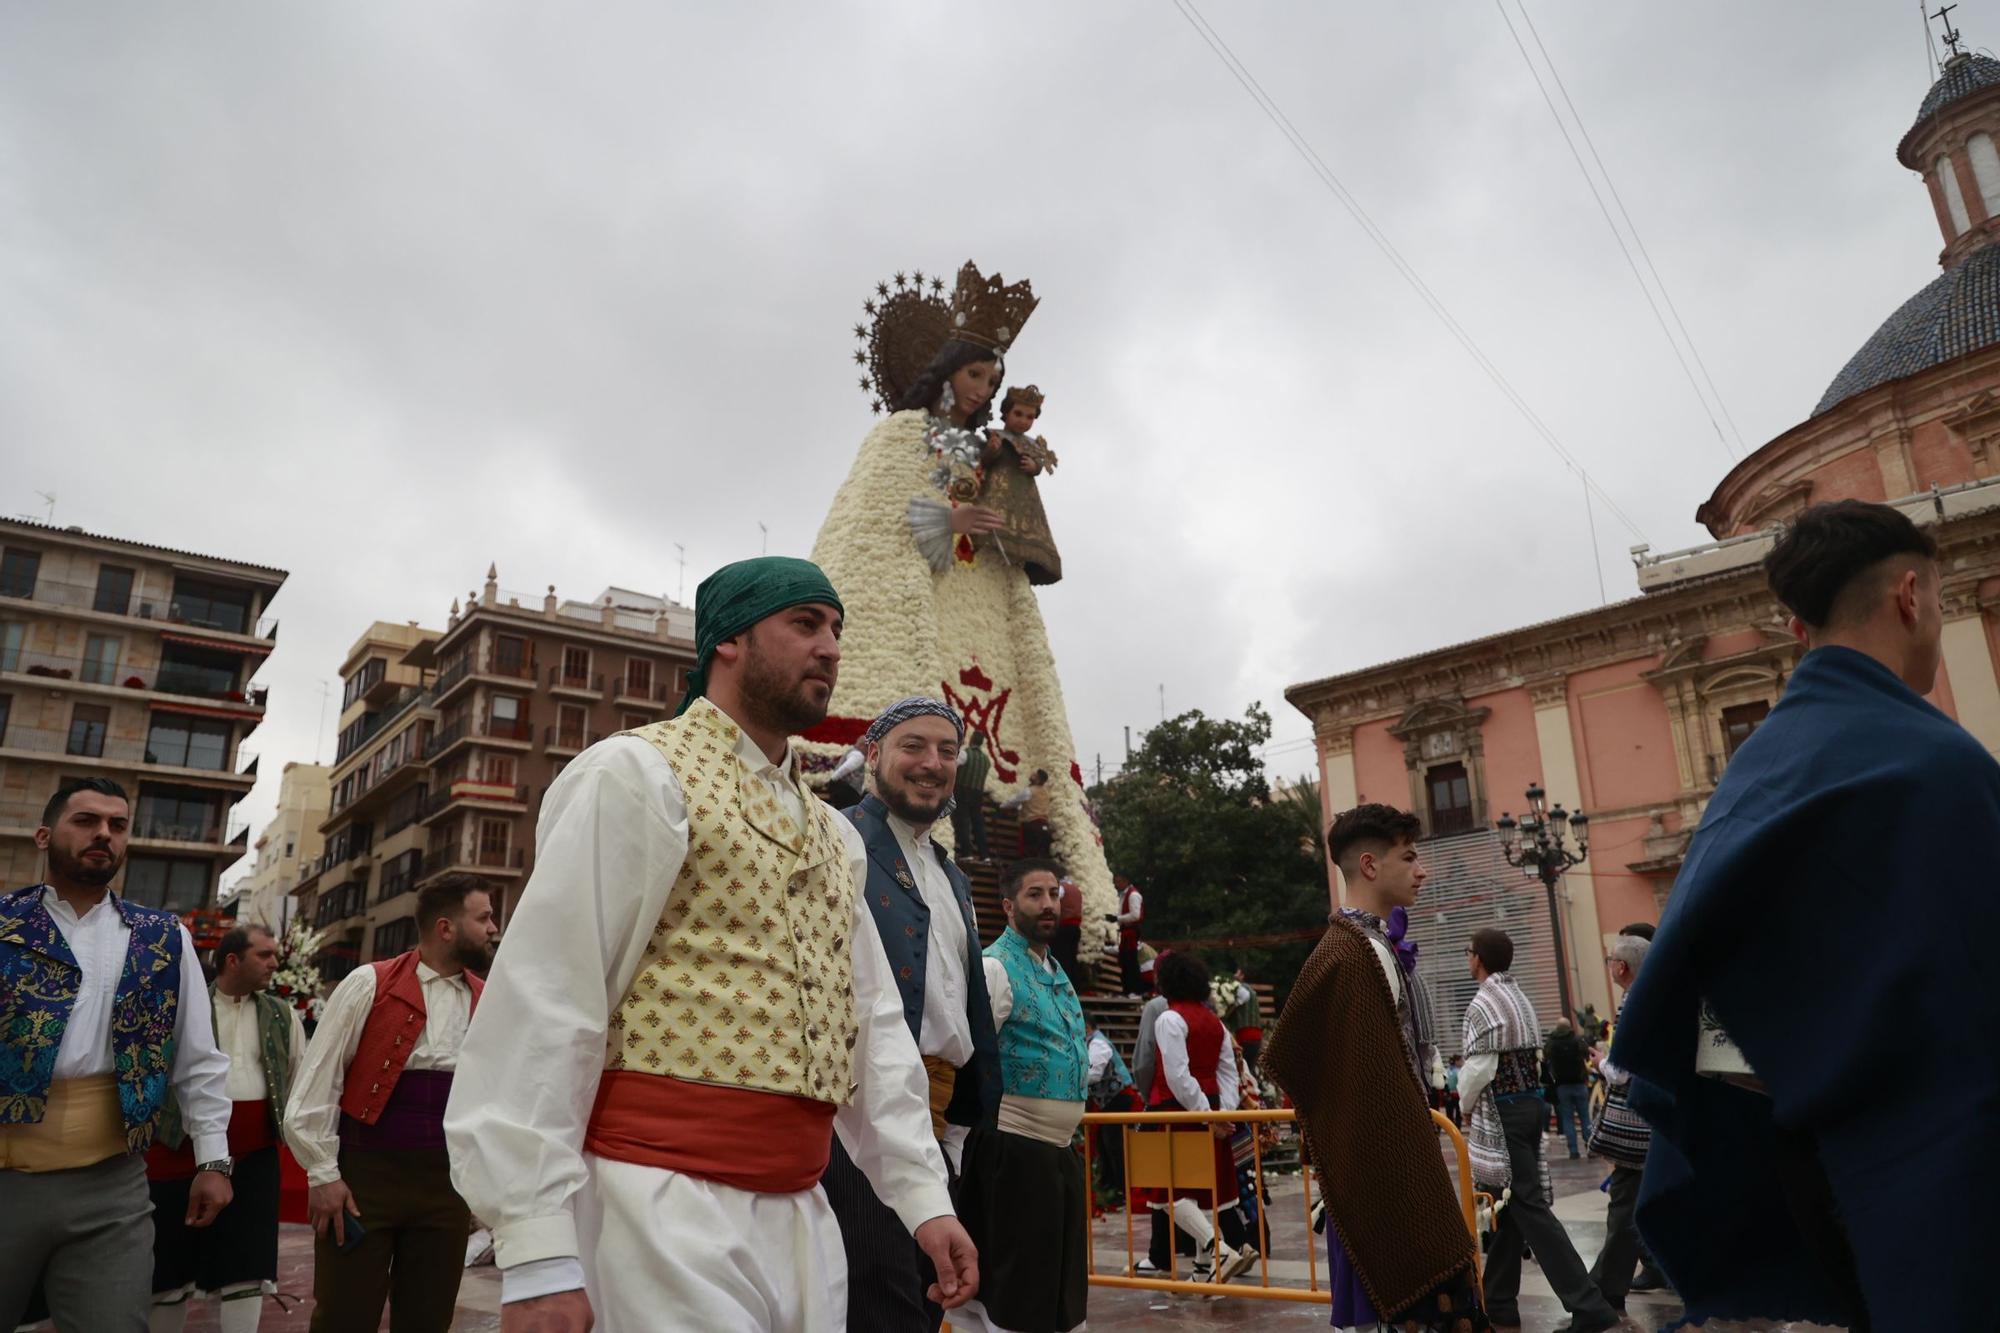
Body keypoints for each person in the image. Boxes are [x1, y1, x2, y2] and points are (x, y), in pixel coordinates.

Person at [442, 556, 976, 1333]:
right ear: (727, 639)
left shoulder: (834, 832)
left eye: (835, 628)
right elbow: (549, 1000)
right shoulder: (637, 774)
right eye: (804, 623)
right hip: (657, 1202)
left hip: (803, 1212)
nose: (829, 645)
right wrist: (537, 1246)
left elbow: (871, 1027)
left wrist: (922, 1197)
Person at [1614, 500, 2000, 1331]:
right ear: (1910, 596)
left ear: (1796, 629)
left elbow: (1708, 1027)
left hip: (1812, 1176)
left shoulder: (1752, 775)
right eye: (1936, 599)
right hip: (1951, 1173)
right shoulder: (1939, 763)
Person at [810, 260, 1116, 963]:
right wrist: (947, 520)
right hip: (919, 598)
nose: (983, 392)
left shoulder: (988, 449)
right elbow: (881, 520)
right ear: (948, 370)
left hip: (979, 592)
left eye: (992, 381)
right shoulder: (902, 433)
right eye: (977, 376)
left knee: (987, 746)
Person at [0, 777, 233, 1333]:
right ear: (44, 835)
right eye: (86, 821)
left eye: (118, 825)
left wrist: (214, 1158)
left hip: (113, 1184)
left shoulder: (164, 938)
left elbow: (198, 1057)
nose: (103, 833)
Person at [1262, 803, 1483, 1333]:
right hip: (1377, 1174)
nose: (1421, 869)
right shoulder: (1353, 952)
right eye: (1409, 857)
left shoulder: (1363, 946)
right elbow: (1347, 1076)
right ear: (1368, 865)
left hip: (1377, 1164)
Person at [823, 696, 1000, 1333]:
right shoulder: (836, 841)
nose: (932, 763)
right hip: (859, 1112)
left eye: (947, 751)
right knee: (882, 1301)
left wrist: (959, 1127)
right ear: (873, 755)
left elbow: (963, 1008)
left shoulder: (948, 873)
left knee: (929, 1299)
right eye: (913, 747)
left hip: (938, 1117)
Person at [283, 873, 498, 1333]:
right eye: (484, 918)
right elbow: (318, 1081)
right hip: (365, 1182)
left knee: (428, 1319)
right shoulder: (369, 983)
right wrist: (323, 1174)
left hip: (447, 1185)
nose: (494, 928)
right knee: (344, 1316)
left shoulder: (489, 999)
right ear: (446, 928)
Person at [147, 923, 309, 1333]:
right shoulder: (185, 1004)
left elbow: (296, 1075)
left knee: (248, 1266)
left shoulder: (281, 1014)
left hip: (255, 1158)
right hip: (179, 1151)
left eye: (275, 954)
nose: (275, 963)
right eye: (264, 955)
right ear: (232, 960)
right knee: (169, 1266)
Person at [954, 859, 1092, 1333]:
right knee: (1018, 1296)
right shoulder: (996, 967)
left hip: (1056, 1154)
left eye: (1054, 893)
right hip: (1013, 1153)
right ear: (1009, 906)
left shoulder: (1055, 969)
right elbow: (968, 1060)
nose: (1049, 904)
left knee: (1058, 1292)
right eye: (1035, 895)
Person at [1462, 928, 1619, 1333]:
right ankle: (1498, 1304)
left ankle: (1589, 1306)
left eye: (1469, 953)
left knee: (1525, 1204)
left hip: (1504, 1111)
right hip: (1530, 1105)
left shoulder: (1483, 1001)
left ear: (1477, 958)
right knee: (1508, 1205)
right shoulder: (1519, 996)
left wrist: (1463, 1107)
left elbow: (1479, 1068)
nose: (1468, 958)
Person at [1136, 951, 1257, 1285]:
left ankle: (1216, 1250)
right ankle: (1204, 1270)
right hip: (1212, 1110)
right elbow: (1229, 1071)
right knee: (1203, 1191)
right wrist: (1223, 1114)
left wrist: (1206, 1114)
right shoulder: (1214, 1022)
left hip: (1178, 1111)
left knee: (1170, 1193)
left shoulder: (1169, 1019)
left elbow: (1176, 1075)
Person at [1586, 932, 1665, 1314]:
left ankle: (1606, 1286)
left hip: (1637, 1121)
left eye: (1610, 960)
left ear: (1621, 967)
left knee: (1625, 1204)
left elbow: (1620, 1071)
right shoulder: (1657, 997)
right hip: (1659, 1115)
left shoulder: (1635, 1003)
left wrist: (1599, 1062)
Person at [1084, 1016, 1137, 1206]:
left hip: (1119, 1098)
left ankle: (1123, 1190)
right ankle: (1113, 1187)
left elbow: (1094, 1073)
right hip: (1109, 1100)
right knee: (1106, 1146)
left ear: (1086, 1027)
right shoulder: (1091, 1042)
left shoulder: (1098, 1043)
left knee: (1115, 1146)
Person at [1543, 1018, 1591, 1159]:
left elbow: (1545, 1058)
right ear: (1570, 1027)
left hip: (1562, 1086)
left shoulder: (1551, 1043)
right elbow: (1587, 1054)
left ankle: (1573, 1151)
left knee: (1567, 1119)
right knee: (1585, 1117)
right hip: (1579, 1084)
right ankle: (1590, 1146)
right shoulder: (1577, 1040)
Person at [950, 728, 992, 860]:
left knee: (963, 822)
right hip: (978, 794)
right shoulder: (986, 760)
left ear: (972, 739)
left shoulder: (964, 754)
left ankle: (967, 853)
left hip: (963, 791)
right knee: (978, 823)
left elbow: (952, 766)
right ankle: (985, 855)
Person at [1051, 872, 1086, 994]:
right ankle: (1075, 986)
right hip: (1076, 928)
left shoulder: (1062, 888)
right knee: (1072, 958)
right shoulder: (1076, 889)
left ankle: (1063, 985)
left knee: (1062, 956)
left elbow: (1054, 902)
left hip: (1064, 927)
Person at [1114, 872, 1144, 997]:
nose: (1116, 884)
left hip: (1131, 931)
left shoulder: (1133, 895)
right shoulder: (1124, 895)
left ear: (1126, 881)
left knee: (1131, 960)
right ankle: (1126, 990)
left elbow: (1135, 915)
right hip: (1125, 931)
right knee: (1124, 960)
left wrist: (1118, 918)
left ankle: (1135, 990)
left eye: (1119, 881)